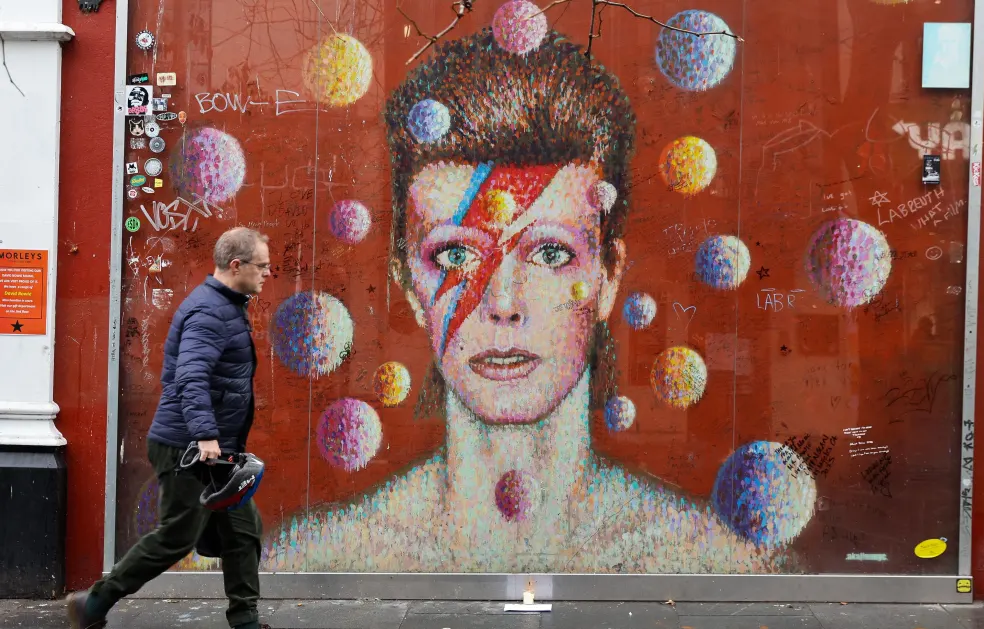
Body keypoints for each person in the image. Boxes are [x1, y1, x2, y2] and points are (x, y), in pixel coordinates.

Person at [262, 26, 816, 573]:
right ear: (408, 284)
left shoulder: (716, 562)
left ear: (608, 277)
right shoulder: (325, 558)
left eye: (550, 253)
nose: (503, 303)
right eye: (456, 255)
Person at [67, 227, 302, 629]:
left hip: (214, 450)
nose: (268, 273)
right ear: (237, 265)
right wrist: (206, 434)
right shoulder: (210, 311)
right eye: (262, 265)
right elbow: (190, 375)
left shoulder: (225, 306)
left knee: (243, 532)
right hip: (189, 448)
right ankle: (93, 604)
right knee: (176, 536)